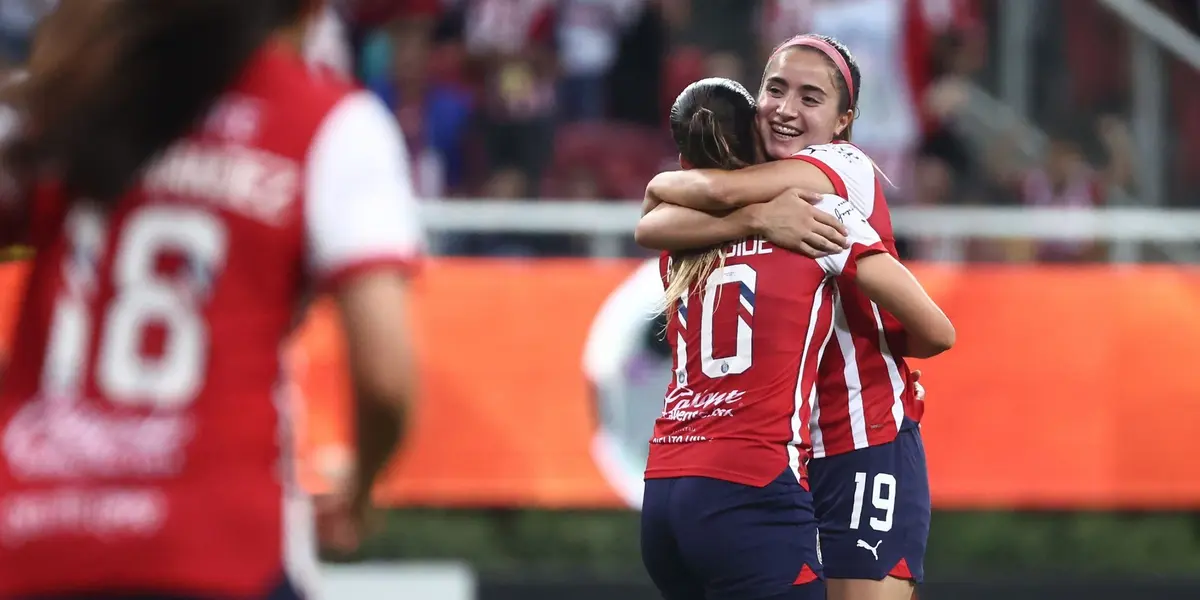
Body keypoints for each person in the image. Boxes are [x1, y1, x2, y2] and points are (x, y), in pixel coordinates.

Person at [0, 1, 420, 598]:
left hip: (36, 536)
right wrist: (362, 486)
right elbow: (385, 376)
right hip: (213, 547)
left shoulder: (67, 111)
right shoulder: (327, 121)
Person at [637, 35, 934, 600]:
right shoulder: (758, 200)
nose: (786, 108)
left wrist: (683, 191)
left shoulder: (841, 167)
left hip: (858, 437)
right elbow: (652, 226)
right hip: (779, 448)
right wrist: (756, 220)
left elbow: (666, 202)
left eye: (810, 97)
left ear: (844, 121)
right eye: (775, 89)